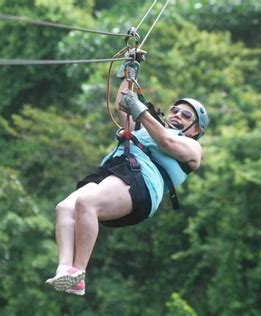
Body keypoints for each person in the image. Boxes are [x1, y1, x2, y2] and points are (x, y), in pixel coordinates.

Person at [45, 57, 209, 296]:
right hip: (114, 170)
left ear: (195, 130)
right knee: (65, 207)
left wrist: (140, 110)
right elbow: (124, 105)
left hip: (141, 181)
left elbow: (166, 141)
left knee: (86, 203)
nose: (176, 115)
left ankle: (79, 273)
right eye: (175, 110)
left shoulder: (192, 148)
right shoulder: (146, 129)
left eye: (186, 115)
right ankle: (65, 270)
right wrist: (128, 72)